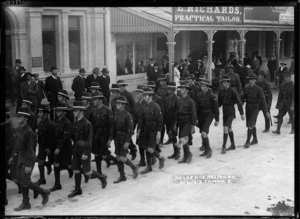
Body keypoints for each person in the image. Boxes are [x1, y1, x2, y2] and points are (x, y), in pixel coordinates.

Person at [9, 108, 51, 211]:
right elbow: (16, 146)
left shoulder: (29, 132)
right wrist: (13, 157)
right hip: (20, 157)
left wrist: (28, 165)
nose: (18, 118)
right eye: (17, 116)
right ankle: (37, 195)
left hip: (27, 159)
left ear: (26, 118)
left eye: (20, 116)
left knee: (24, 181)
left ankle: (33, 198)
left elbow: (31, 151)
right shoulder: (19, 130)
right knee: (22, 180)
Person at [68, 101, 108, 198]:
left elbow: (90, 140)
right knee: (76, 170)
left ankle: (102, 177)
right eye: (74, 111)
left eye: (76, 111)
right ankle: (78, 189)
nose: (74, 112)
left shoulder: (87, 124)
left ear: (81, 111)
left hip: (84, 151)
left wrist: (86, 152)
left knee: (87, 172)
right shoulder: (75, 122)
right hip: (76, 150)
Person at [110, 96, 138, 183]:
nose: (117, 105)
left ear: (123, 105)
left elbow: (130, 130)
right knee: (118, 157)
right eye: (117, 103)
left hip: (124, 138)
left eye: (119, 104)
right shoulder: (116, 113)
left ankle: (134, 167)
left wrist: (127, 142)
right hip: (117, 138)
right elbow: (113, 127)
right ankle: (122, 175)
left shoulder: (128, 115)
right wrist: (110, 139)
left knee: (122, 157)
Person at [137, 87, 165, 174]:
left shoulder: (156, 106)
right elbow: (141, 119)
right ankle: (149, 167)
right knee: (145, 147)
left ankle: (160, 158)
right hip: (145, 129)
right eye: (143, 95)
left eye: (146, 96)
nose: (144, 97)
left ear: (150, 96)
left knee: (149, 148)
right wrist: (139, 129)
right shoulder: (144, 105)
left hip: (153, 130)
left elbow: (160, 121)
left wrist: (159, 132)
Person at [242, 73, 270, 148]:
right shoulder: (246, 88)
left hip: (255, 107)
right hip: (248, 107)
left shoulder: (258, 89)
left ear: (255, 80)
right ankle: (255, 139)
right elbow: (242, 99)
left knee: (250, 124)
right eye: (250, 80)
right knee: (251, 123)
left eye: (252, 80)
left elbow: (263, 101)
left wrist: (266, 111)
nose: (251, 81)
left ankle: (247, 141)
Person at [49, 103, 73, 192]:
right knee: (56, 164)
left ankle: (81, 172)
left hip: (65, 147)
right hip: (58, 145)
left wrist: (59, 148)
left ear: (64, 112)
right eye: (57, 110)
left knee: (69, 164)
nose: (57, 112)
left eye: (59, 111)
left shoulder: (67, 123)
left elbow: (65, 137)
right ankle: (57, 184)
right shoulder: (57, 121)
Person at [218, 75, 245, 153]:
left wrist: (242, 113)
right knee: (229, 128)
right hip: (224, 111)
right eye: (222, 82)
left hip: (231, 111)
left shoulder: (232, 91)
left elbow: (238, 102)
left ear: (228, 83)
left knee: (225, 127)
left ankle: (224, 146)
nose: (223, 84)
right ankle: (233, 144)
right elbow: (219, 103)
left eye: (225, 82)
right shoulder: (221, 92)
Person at [90, 91, 113, 177]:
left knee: (103, 154)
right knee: (96, 153)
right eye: (93, 99)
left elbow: (111, 125)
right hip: (96, 134)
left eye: (95, 99)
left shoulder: (107, 110)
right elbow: (93, 124)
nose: (93, 101)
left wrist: (110, 138)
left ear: (100, 100)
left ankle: (116, 161)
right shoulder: (94, 110)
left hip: (104, 134)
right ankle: (99, 171)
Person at [195, 79, 219, 158]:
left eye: (204, 86)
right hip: (201, 115)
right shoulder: (198, 95)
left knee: (204, 132)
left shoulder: (212, 96)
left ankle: (208, 150)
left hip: (209, 115)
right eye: (201, 86)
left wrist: (217, 119)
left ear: (208, 87)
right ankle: (206, 149)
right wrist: (196, 118)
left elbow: (215, 108)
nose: (202, 87)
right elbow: (197, 108)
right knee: (202, 132)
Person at [175, 81, 197, 163]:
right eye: (181, 88)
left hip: (187, 121)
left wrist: (193, 125)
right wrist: (176, 124)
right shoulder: (179, 100)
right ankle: (185, 156)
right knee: (183, 139)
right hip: (181, 121)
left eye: (183, 88)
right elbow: (177, 112)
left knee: (183, 139)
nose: (181, 90)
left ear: (187, 90)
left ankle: (189, 154)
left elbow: (193, 114)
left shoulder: (190, 101)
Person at [35, 104, 54, 192]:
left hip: (47, 146)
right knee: (40, 160)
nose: (39, 113)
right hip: (42, 145)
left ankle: (70, 169)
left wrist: (49, 147)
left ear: (46, 114)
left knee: (56, 162)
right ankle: (42, 178)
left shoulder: (49, 124)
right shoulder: (41, 122)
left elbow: (51, 137)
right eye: (39, 112)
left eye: (41, 112)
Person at [117, 80, 137, 160]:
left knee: (128, 136)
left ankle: (133, 149)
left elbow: (133, 107)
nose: (120, 88)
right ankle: (129, 149)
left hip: (128, 118)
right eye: (119, 86)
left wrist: (132, 119)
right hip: (121, 118)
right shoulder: (119, 95)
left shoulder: (128, 95)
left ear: (123, 86)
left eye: (121, 86)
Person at [164, 82, 180, 159]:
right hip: (168, 119)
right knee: (170, 135)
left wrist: (175, 123)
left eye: (170, 89)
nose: (168, 90)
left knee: (174, 136)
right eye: (168, 88)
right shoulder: (166, 98)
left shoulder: (177, 99)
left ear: (173, 90)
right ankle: (175, 151)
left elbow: (178, 112)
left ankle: (177, 152)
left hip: (174, 119)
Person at [134, 85, 147, 167]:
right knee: (139, 143)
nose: (137, 95)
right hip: (140, 126)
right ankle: (142, 160)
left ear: (143, 94)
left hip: (146, 126)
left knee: (147, 145)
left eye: (139, 93)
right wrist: (134, 127)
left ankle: (157, 157)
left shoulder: (145, 104)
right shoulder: (137, 103)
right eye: (137, 93)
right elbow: (136, 116)